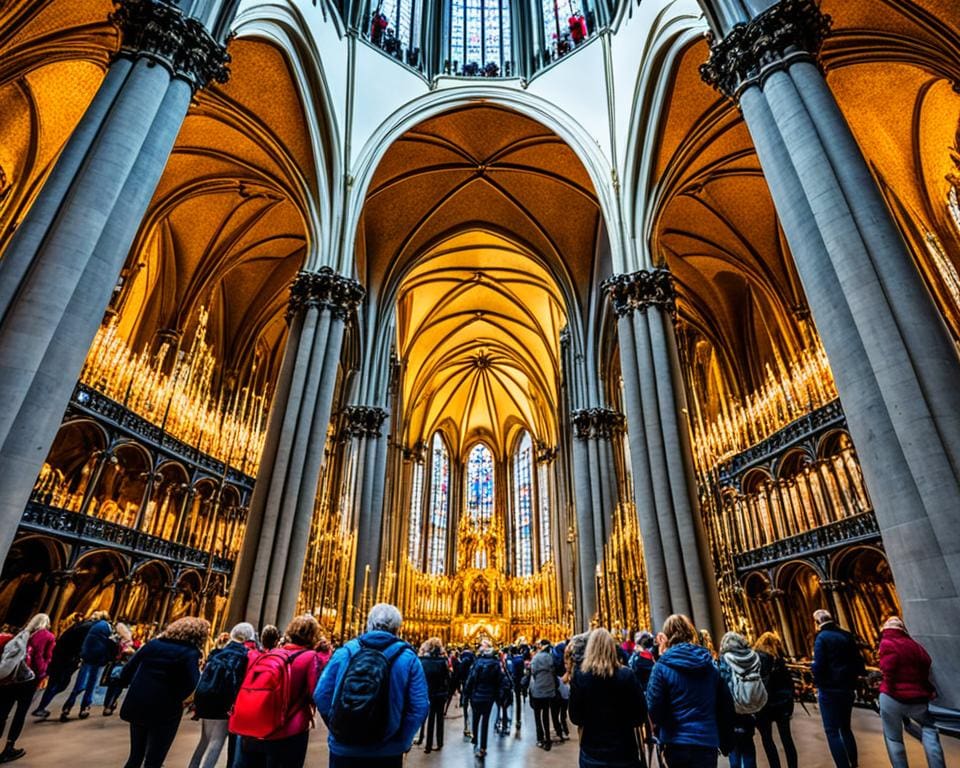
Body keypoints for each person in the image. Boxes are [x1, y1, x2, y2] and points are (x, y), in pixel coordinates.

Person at [315, 603, 428, 768]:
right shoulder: (408, 658)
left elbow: (321, 694)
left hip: (344, 749)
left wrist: (337, 728)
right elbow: (419, 706)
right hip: (387, 751)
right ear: (398, 628)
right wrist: (401, 741)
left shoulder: (345, 652)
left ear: (369, 625)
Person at [233, 615, 324, 768]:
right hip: (289, 730)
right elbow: (317, 693)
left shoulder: (272, 653)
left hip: (256, 727)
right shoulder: (310, 657)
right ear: (314, 635)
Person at [118, 616, 209, 768]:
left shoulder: (153, 644)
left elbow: (126, 671)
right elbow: (192, 685)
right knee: (154, 760)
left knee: (135, 756)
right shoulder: (190, 653)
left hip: (138, 704)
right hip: (165, 710)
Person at [647, 614, 734, 768]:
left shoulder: (661, 667)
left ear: (666, 636)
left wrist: (665, 727)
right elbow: (724, 704)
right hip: (706, 740)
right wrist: (726, 738)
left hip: (676, 742)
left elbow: (654, 708)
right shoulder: (710, 665)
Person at [569, 628, 646, 768]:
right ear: (612, 648)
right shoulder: (626, 675)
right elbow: (640, 715)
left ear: (590, 649)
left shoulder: (580, 676)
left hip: (592, 752)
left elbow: (575, 717)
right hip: (624, 752)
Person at [876, 616, 946, 768]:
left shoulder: (887, 643)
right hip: (917, 697)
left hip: (892, 696)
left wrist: (888, 685)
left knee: (894, 738)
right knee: (929, 730)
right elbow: (927, 662)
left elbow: (888, 669)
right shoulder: (915, 645)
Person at [188, 622, 256, 768]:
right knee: (217, 741)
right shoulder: (243, 655)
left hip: (205, 697)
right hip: (223, 701)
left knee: (204, 740)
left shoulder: (217, 652)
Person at [811, 609, 865, 768]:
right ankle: (854, 763)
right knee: (846, 728)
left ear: (817, 623)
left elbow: (819, 666)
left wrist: (815, 674)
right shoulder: (846, 635)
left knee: (832, 731)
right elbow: (859, 662)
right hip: (847, 688)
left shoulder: (821, 638)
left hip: (829, 690)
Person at [0, 613, 55, 762]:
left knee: (3, 712)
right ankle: (9, 748)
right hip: (29, 681)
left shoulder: (22, 633)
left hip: (11, 678)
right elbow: (41, 657)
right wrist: (42, 672)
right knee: (20, 713)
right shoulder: (47, 636)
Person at [718, 632, 762, 768]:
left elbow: (724, 685)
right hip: (751, 708)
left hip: (733, 711)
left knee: (734, 750)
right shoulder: (753, 657)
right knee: (748, 746)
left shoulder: (725, 659)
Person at [61, 609, 115, 720]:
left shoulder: (88, 625)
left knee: (79, 683)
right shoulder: (106, 626)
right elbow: (111, 642)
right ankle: (85, 707)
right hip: (98, 659)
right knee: (92, 683)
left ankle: (67, 707)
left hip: (86, 657)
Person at [32, 612, 88, 719]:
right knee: (60, 684)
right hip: (64, 662)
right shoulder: (78, 635)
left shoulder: (71, 630)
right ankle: (41, 707)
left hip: (58, 660)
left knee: (53, 684)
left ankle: (41, 706)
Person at [754, 632, 797, 768]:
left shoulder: (755, 660)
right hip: (781, 704)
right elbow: (789, 683)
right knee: (787, 738)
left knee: (767, 739)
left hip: (763, 705)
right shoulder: (778, 660)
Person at [462, 639, 505, 758]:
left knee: (475, 719)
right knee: (485, 721)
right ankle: (483, 747)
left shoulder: (477, 663)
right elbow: (499, 681)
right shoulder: (496, 664)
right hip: (489, 697)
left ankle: (475, 740)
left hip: (477, 695)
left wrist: (466, 693)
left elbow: (471, 679)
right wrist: (498, 695)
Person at [418, 637, 450, 753]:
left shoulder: (422, 661)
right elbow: (448, 678)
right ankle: (440, 742)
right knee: (439, 718)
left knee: (430, 719)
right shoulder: (443, 661)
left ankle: (428, 746)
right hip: (440, 693)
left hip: (428, 693)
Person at [529, 639, 559, 750]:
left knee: (537, 716)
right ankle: (548, 740)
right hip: (548, 690)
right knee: (546, 715)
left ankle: (540, 739)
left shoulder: (536, 658)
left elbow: (533, 672)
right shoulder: (551, 658)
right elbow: (554, 671)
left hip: (537, 690)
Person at [103, 622, 138, 716]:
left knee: (113, 685)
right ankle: (110, 705)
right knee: (117, 686)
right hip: (122, 665)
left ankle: (108, 704)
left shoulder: (114, 639)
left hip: (115, 665)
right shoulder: (127, 642)